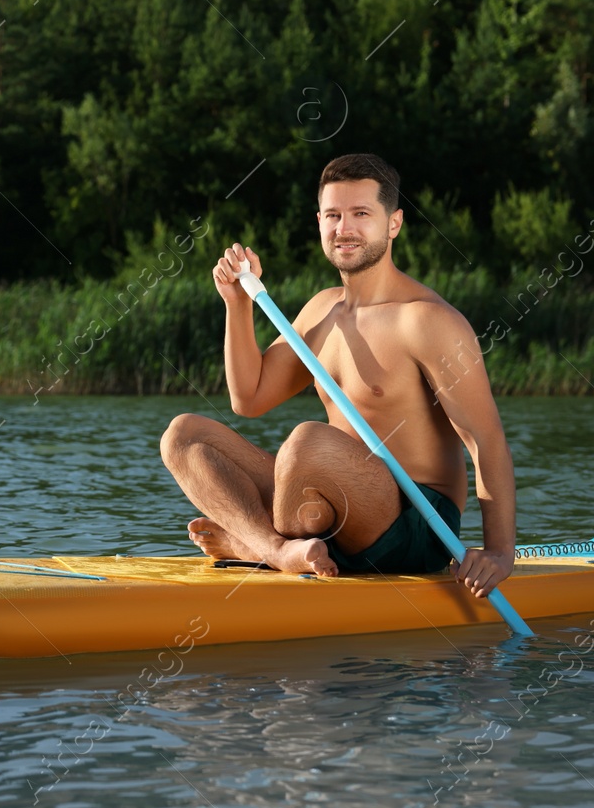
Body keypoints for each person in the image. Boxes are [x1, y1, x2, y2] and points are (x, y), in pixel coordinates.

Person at [159, 153, 516, 597]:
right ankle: (275, 549)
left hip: (415, 523)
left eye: (361, 214)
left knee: (308, 444)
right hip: (322, 505)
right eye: (333, 215)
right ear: (320, 222)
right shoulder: (321, 309)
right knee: (184, 435)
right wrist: (238, 304)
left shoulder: (426, 321)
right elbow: (248, 399)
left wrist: (501, 552)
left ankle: (252, 543)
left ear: (394, 223)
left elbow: (487, 440)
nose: (344, 228)